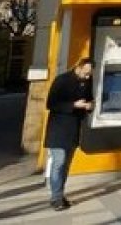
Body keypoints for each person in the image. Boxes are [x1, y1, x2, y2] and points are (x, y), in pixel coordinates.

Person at [43, 57, 94, 211]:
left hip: (73, 129)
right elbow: (51, 104)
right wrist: (73, 105)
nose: (87, 77)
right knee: (59, 162)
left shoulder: (87, 82)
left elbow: (89, 99)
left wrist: (90, 105)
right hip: (58, 129)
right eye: (86, 73)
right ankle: (55, 198)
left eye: (90, 74)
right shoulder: (62, 80)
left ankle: (60, 194)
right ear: (79, 67)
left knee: (65, 165)